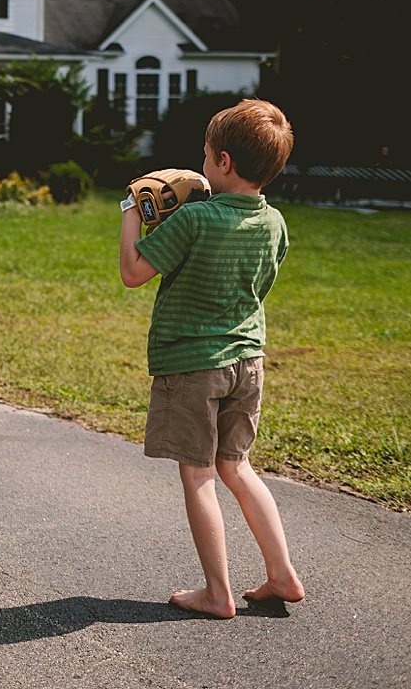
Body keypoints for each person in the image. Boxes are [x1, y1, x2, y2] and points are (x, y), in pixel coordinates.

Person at [118, 98, 305, 619]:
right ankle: (282, 574)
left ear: (223, 162)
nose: (200, 163)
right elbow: (261, 283)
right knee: (237, 466)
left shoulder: (195, 220)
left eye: (205, 154)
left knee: (198, 473)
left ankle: (218, 593)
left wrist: (132, 211)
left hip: (192, 365)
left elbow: (133, 271)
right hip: (248, 361)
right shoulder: (275, 223)